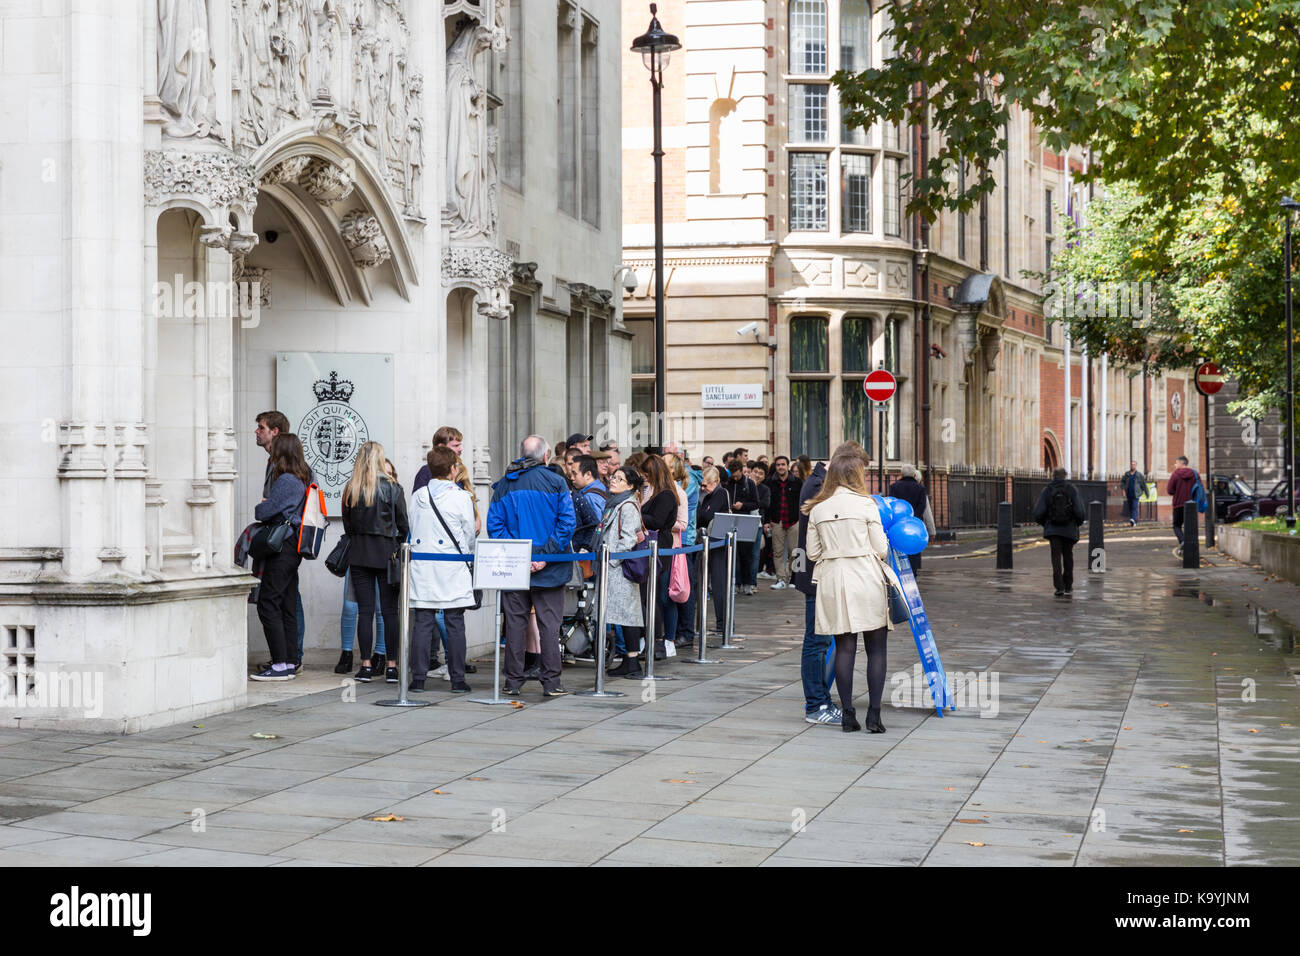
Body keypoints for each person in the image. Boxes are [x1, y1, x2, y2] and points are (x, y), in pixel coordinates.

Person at [804, 454, 895, 733]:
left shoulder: (817, 509)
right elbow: (881, 548)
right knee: (876, 648)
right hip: (865, 576)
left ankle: (847, 714)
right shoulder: (867, 505)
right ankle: (874, 715)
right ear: (856, 476)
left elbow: (812, 553)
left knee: (844, 648)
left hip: (833, 580)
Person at [487, 435, 576, 697]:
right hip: (550, 567)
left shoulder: (505, 484)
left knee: (515, 625)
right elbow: (566, 524)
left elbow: (495, 527)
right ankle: (551, 683)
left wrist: (520, 556)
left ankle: (512, 682)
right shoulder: (557, 482)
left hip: (515, 567)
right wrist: (544, 556)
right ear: (546, 455)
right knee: (550, 626)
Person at [407, 446, 476, 693]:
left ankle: (418, 679)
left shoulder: (417, 496)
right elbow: (469, 534)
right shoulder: (461, 497)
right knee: (455, 622)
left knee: (423, 623)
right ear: (452, 469)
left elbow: (412, 526)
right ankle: (458, 679)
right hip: (451, 565)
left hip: (423, 566)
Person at [341, 441, 409, 683]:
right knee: (390, 612)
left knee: (365, 612)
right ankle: (391, 666)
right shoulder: (393, 488)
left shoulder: (352, 488)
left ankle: (366, 665)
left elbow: (348, 526)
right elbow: (404, 526)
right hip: (386, 554)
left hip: (359, 553)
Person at [250, 433, 311, 681]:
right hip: (292, 546)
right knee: (286, 604)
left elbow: (263, 510)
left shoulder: (286, 480)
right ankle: (287, 661)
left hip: (282, 547)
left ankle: (279, 664)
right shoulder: (302, 478)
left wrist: (263, 504)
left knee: (268, 602)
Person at [792, 456, 840, 724]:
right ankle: (815, 704)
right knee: (816, 641)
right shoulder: (817, 485)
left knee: (822, 641)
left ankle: (821, 699)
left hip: (821, 576)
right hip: (816, 576)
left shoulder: (822, 482)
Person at [603, 467, 650, 678]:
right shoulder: (615, 503)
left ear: (630, 486)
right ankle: (629, 661)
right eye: (614, 477)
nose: (613, 480)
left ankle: (632, 662)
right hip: (614, 567)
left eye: (619, 479)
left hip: (621, 568)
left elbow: (629, 538)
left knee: (628, 615)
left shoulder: (628, 505)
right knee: (623, 615)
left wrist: (612, 560)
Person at [641, 453, 684, 659]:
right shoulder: (656, 492)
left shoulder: (666, 494)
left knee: (654, 596)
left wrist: (636, 514)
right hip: (655, 545)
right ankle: (652, 641)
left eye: (647, 474)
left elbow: (657, 521)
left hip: (659, 546)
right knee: (651, 596)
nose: (644, 477)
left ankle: (657, 642)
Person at [1032, 467, 1087, 597]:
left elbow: (1038, 513)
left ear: (1053, 475)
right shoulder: (1071, 489)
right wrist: (1076, 523)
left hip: (1053, 529)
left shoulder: (1047, 490)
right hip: (1069, 528)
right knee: (1068, 556)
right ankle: (1068, 585)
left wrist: (1046, 524)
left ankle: (1059, 587)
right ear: (1065, 476)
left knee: (1055, 558)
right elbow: (1079, 511)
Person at [665, 452, 699, 649]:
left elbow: (682, 520)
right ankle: (679, 630)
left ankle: (686, 632)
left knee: (683, 584)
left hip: (683, 541)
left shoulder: (684, 486)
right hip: (673, 541)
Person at [696, 466, 732, 639]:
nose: (703, 488)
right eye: (702, 485)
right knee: (703, 580)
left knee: (719, 582)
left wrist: (703, 511)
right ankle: (712, 623)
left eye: (706, 485)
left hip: (717, 542)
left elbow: (706, 516)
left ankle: (722, 623)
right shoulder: (708, 495)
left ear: (715, 482)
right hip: (708, 541)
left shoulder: (720, 493)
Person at [888, 464, 933, 573]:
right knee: (913, 546)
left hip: (898, 524)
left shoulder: (894, 486)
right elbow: (922, 505)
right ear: (914, 474)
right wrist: (914, 517)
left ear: (901, 474)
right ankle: (914, 569)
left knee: (899, 546)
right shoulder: (920, 488)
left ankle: (899, 569)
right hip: (915, 523)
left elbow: (892, 504)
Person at [766, 455, 801, 590]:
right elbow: (767, 504)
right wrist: (767, 521)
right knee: (778, 551)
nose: (780, 467)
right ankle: (780, 578)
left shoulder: (797, 482)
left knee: (795, 550)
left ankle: (794, 577)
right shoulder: (770, 482)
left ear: (788, 466)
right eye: (778, 465)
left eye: (783, 464)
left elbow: (801, 502)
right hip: (776, 521)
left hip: (794, 520)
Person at [727, 462, 760, 595]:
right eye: (733, 476)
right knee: (733, 554)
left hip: (745, 521)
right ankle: (735, 583)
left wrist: (743, 505)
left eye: (737, 476)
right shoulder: (728, 483)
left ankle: (747, 583)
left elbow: (756, 503)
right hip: (731, 520)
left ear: (741, 471)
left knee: (745, 554)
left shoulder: (749, 483)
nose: (735, 479)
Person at [1166, 455, 1200, 554]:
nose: (1175, 465)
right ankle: (1192, 549)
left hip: (1179, 504)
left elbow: (1170, 490)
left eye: (1176, 463)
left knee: (1177, 526)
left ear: (1182, 463)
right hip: (1192, 505)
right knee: (1191, 527)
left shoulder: (1175, 474)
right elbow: (1199, 487)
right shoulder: (1195, 474)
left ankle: (1183, 541)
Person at [748, 461, 772, 585]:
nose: (757, 475)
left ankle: (752, 583)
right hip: (743, 522)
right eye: (755, 472)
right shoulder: (744, 484)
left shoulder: (765, 489)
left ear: (764, 477)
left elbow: (765, 504)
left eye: (761, 474)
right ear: (751, 471)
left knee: (755, 554)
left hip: (757, 523)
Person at [1122, 460, 1146, 527]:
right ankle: (1134, 520)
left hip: (1136, 494)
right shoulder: (1127, 474)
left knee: (1134, 507)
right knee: (1130, 507)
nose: (1132, 466)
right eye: (1132, 464)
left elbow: (1143, 484)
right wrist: (1123, 491)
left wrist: (1143, 492)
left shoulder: (1139, 474)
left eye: (1134, 464)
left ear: (1136, 466)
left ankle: (1133, 520)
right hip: (1128, 494)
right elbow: (1122, 482)